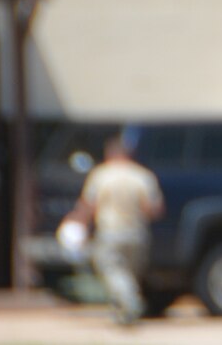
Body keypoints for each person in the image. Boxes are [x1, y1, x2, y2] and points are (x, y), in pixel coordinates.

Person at [71, 133, 163, 326]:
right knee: (129, 274)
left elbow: (89, 205)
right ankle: (123, 312)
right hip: (137, 233)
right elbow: (154, 209)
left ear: (109, 154)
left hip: (111, 231)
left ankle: (130, 303)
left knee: (112, 270)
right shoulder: (143, 176)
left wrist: (78, 222)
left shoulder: (101, 175)